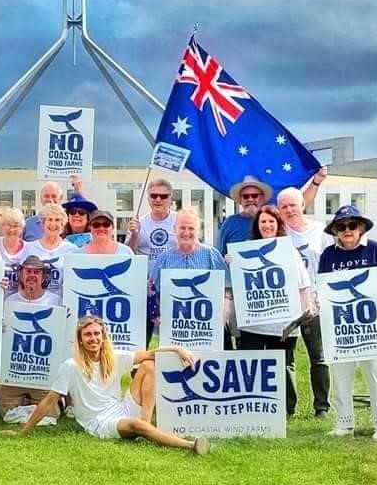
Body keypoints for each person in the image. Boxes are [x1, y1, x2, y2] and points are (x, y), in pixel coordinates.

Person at [8, 315, 210, 454]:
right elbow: (48, 402)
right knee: (136, 425)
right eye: (88, 335)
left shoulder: (113, 357)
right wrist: (23, 432)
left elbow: (149, 354)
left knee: (148, 365)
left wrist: (178, 349)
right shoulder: (70, 366)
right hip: (99, 423)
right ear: (80, 341)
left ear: (103, 337)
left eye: (97, 334)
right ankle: (191, 445)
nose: (93, 339)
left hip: (120, 408)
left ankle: (146, 425)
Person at [319, 206, 377, 441]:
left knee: (376, 375)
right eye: (341, 227)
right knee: (341, 375)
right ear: (335, 231)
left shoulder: (376, 250)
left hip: (371, 325)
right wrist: (318, 299)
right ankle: (344, 423)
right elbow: (320, 286)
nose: (347, 230)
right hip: (341, 326)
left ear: (361, 227)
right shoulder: (328, 255)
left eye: (352, 225)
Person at [235, 205, 313, 417]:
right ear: (257, 225)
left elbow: (302, 283)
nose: (267, 225)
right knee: (250, 364)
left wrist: (307, 308)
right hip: (254, 321)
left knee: (284, 365)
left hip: (283, 320)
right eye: (263, 222)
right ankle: (250, 404)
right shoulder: (245, 248)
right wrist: (231, 262)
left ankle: (287, 409)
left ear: (278, 224)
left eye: (271, 221)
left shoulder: (289, 250)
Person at [276, 187, 331, 419]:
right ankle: (288, 408)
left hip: (315, 304)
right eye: (284, 206)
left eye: (292, 205)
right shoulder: (277, 233)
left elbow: (330, 262)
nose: (289, 210)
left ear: (302, 205)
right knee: (285, 360)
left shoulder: (319, 231)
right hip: (285, 305)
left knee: (318, 357)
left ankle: (322, 407)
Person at [148, 208, 233, 349]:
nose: (186, 233)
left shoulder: (212, 254)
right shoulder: (163, 258)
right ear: (174, 229)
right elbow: (152, 289)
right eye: (182, 228)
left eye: (191, 228)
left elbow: (227, 288)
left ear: (198, 230)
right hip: (176, 329)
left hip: (210, 327)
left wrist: (225, 310)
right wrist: (155, 311)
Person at [0, 255, 63, 424]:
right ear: (21, 275)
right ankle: (31, 409)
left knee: (51, 412)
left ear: (43, 276)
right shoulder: (10, 301)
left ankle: (31, 408)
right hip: (16, 372)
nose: (32, 275)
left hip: (42, 374)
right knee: (5, 410)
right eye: (28, 271)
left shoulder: (55, 301)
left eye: (36, 272)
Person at [217, 169, 327, 255]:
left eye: (254, 195)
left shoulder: (274, 217)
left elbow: (298, 204)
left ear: (263, 198)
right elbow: (220, 255)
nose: (250, 199)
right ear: (240, 200)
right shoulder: (229, 223)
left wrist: (316, 182)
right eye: (245, 196)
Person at [126, 178, 178, 347]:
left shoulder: (179, 221)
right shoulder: (138, 222)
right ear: (147, 198)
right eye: (154, 195)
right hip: (147, 287)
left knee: (173, 332)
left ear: (171, 198)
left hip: (173, 285)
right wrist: (134, 234)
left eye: (163, 196)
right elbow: (129, 254)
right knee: (144, 333)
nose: (158, 200)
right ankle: (139, 370)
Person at [23, 203, 77, 297]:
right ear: (43, 223)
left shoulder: (71, 249)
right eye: (50, 219)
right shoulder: (29, 248)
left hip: (60, 304)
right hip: (34, 302)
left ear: (62, 224)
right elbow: (21, 278)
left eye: (57, 220)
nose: (53, 224)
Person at [0, 207, 28, 297]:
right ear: (1, 227)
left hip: (18, 302)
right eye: (7, 225)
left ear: (22, 228)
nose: (11, 229)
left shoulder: (29, 248)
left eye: (15, 225)